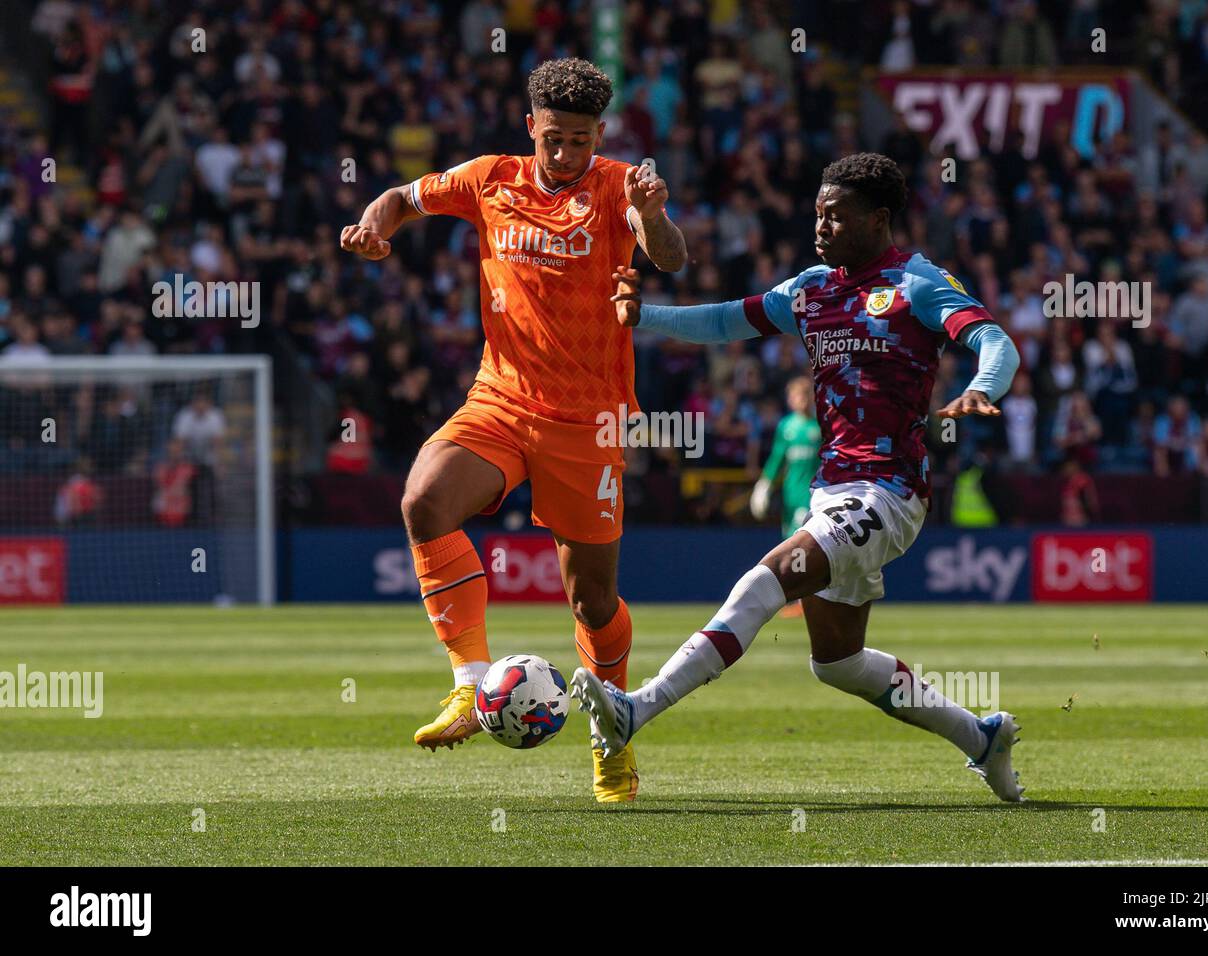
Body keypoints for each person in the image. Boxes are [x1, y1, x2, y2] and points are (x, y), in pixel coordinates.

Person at [575, 153, 1026, 802]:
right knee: (838, 664)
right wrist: (646, 317)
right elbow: (729, 319)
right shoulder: (812, 289)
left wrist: (985, 386)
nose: (821, 226)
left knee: (763, 581)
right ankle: (982, 738)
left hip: (889, 492)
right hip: (831, 491)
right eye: (817, 213)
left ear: (878, 219)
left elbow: (994, 340)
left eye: (836, 216)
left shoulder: (916, 283)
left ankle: (634, 710)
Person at [339, 58, 686, 802]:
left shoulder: (621, 185)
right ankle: (469, 685)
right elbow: (401, 196)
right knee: (423, 500)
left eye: (582, 141)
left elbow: (671, 257)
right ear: (531, 127)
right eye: (554, 139)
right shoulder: (490, 176)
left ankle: (610, 738)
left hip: (587, 421)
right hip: (501, 398)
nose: (566, 155)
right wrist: (376, 224)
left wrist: (653, 216)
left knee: (592, 601)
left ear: (601, 135)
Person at [750, 376, 819, 617]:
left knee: (801, 544)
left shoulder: (820, 426)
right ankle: (800, 599)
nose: (800, 400)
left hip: (812, 496)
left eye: (804, 395)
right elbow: (777, 458)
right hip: (790, 494)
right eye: (796, 396)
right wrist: (764, 484)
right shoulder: (787, 427)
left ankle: (803, 600)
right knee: (789, 541)